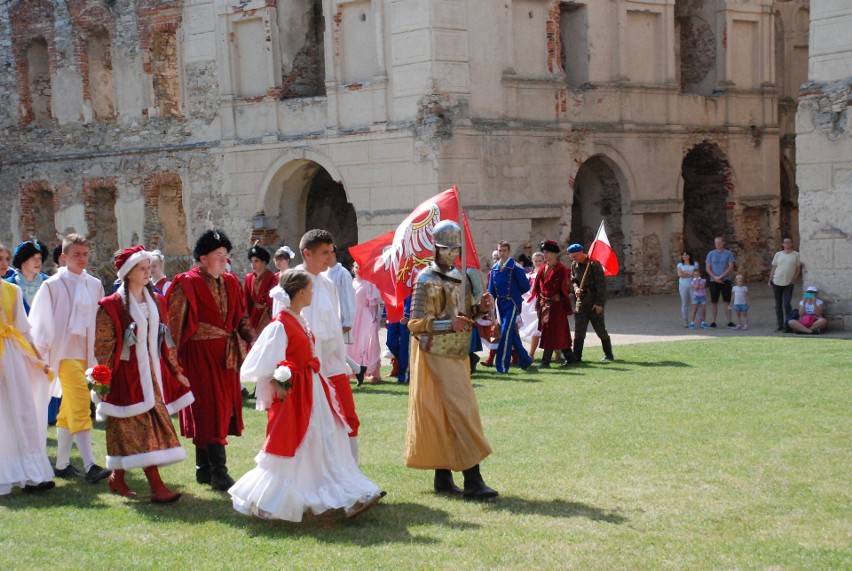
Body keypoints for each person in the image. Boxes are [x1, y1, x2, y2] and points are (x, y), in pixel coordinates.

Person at [230, 269, 385, 521]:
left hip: (313, 388)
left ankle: (340, 495)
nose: (312, 293)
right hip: (298, 394)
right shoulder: (280, 324)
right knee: (301, 443)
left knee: (324, 439)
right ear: (300, 292)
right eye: (310, 289)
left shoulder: (299, 319)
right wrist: (282, 383)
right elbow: (264, 363)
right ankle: (275, 501)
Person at [406, 220, 498, 500]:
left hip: (458, 352)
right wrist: (449, 326)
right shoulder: (425, 279)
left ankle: (443, 477)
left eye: (455, 248)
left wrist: (478, 307)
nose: (453, 253)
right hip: (433, 352)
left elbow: (464, 312)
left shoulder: (461, 275)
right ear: (436, 248)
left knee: (447, 412)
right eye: (447, 248)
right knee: (459, 410)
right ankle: (472, 479)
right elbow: (415, 323)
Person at [94, 246, 194, 502]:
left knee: (144, 425)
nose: (148, 271)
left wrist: (176, 370)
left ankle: (118, 477)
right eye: (142, 267)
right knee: (129, 426)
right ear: (128, 273)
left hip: (152, 374)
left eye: (149, 266)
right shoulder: (111, 305)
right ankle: (156, 487)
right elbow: (103, 344)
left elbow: (166, 340)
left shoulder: (157, 301)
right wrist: (104, 379)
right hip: (125, 376)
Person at [166, 229, 255, 491]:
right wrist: (174, 365)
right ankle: (218, 472)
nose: (223, 260)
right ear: (203, 258)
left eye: (226, 255)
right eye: (218, 255)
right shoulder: (186, 284)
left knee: (221, 409)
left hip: (226, 356)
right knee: (208, 410)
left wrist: (256, 341)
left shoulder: (230, 282)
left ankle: (203, 469)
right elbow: (173, 328)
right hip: (198, 356)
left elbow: (241, 318)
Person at [29, 234, 111, 483]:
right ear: (64, 257)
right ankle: (90, 465)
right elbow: (39, 323)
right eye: (77, 254)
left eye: (85, 254)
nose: (82, 259)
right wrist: (40, 357)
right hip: (62, 355)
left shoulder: (95, 284)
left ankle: (62, 464)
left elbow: (99, 321)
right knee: (79, 406)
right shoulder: (52, 285)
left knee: (68, 409)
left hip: (87, 355)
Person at [296, 230, 362, 463]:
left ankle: (353, 475)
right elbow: (284, 326)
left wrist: (343, 360)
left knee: (349, 417)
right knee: (315, 424)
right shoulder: (292, 282)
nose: (329, 257)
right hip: (306, 367)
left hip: (332, 363)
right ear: (307, 253)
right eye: (324, 253)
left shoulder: (328, 283)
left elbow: (332, 327)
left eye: (331, 252)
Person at [0, 278, 55, 495]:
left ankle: (34, 475)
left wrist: (38, 359)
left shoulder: (11, 290)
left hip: (11, 357)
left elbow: (23, 331)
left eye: (5, 259)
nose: (3, 264)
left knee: (22, 411)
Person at [487, 241, 533, 374]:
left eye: (504, 251)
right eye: (500, 251)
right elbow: (491, 291)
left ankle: (501, 366)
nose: (502, 253)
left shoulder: (516, 267)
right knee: (511, 334)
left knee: (505, 333)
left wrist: (514, 296)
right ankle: (525, 360)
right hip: (500, 305)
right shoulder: (495, 269)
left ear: (509, 252)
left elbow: (525, 286)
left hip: (512, 303)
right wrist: (492, 309)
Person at [531, 240, 576, 368]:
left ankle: (546, 361)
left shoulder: (561, 269)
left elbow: (566, 288)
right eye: (544, 252)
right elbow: (538, 286)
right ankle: (570, 357)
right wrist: (540, 301)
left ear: (554, 254)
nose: (545, 255)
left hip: (556, 306)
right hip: (545, 305)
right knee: (553, 332)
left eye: (548, 252)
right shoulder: (543, 268)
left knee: (554, 332)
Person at [568, 243, 614, 362]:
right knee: (579, 330)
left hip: (593, 300)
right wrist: (576, 288)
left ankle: (608, 354)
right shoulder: (574, 265)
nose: (574, 259)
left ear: (582, 253)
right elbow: (573, 280)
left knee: (600, 329)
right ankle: (577, 357)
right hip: (581, 301)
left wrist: (600, 303)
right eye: (572, 257)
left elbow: (601, 285)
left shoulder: (594, 264)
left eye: (576, 256)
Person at [346, 263, 383, 384]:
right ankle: (353, 369)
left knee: (367, 342)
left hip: (365, 316)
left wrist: (374, 318)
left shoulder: (369, 283)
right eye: (356, 267)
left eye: (360, 268)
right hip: (353, 316)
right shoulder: (351, 282)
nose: (358, 270)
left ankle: (373, 371)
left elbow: (373, 302)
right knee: (352, 343)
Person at [322, 246, 356, 345]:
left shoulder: (343, 273)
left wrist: (347, 321)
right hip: (326, 318)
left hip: (339, 318)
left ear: (333, 254)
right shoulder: (323, 273)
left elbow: (348, 298)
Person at [6, 240, 50, 314]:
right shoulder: (7, 285)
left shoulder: (50, 283)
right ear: (22, 260)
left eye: (39, 258)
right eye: (33, 258)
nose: (38, 262)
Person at [768, 237, 801, 332]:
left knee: (786, 304)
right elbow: (774, 267)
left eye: (789, 242)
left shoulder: (796, 255)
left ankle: (789, 324)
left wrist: (793, 280)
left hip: (788, 283)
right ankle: (780, 324)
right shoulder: (778, 254)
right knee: (778, 304)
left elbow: (798, 269)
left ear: (791, 244)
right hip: (777, 282)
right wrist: (770, 279)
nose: (787, 244)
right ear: (782, 244)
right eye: (785, 242)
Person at [244, 244, 276, 335]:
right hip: (253, 315)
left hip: (266, 316)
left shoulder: (272, 278)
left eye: (256, 261)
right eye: (251, 261)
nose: (253, 264)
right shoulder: (248, 278)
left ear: (264, 262)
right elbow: (246, 299)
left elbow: (273, 301)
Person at [705, 236, 736, 329]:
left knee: (727, 301)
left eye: (719, 242)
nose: (718, 244)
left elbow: (730, 267)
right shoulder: (711, 254)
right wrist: (714, 277)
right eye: (716, 243)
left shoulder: (728, 254)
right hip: (713, 281)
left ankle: (729, 321)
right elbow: (707, 267)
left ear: (723, 243)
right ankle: (713, 321)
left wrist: (721, 276)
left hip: (725, 280)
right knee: (714, 301)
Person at [519, 251, 544, 359]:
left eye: (540, 260)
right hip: (530, 304)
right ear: (533, 262)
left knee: (540, 329)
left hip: (542, 304)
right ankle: (531, 354)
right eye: (536, 261)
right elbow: (525, 290)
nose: (538, 263)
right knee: (534, 329)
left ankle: (558, 352)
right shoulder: (528, 275)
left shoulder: (547, 273)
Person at [385, 296, 411, 384]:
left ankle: (404, 377)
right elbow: (388, 292)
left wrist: (407, 314)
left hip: (404, 314)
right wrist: (386, 312)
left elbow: (409, 293)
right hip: (393, 313)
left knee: (404, 347)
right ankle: (403, 366)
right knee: (390, 342)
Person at [676, 251, 699, 327]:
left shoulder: (695, 264)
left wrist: (685, 273)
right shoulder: (680, 265)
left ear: (690, 256)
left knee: (695, 302)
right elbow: (680, 274)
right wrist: (690, 273)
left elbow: (695, 273)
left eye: (686, 255)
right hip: (683, 285)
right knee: (684, 303)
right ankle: (685, 320)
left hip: (693, 285)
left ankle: (699, 320)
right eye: (683, 255)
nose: (685, 256)